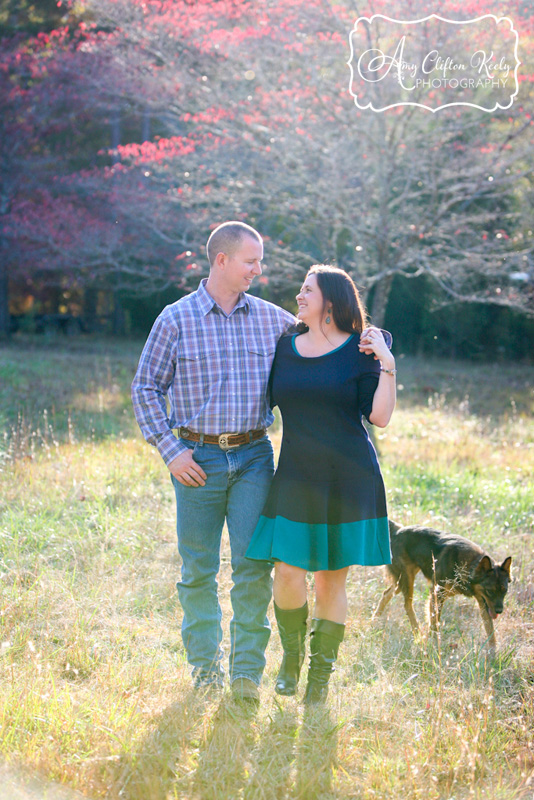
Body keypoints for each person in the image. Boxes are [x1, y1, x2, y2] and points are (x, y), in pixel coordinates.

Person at [131, 221, 296, 705]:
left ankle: (246, 674)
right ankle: (205, 671)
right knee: (198, 570)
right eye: (251, 261)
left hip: (252, 457)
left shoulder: (273, 319)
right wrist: (170, 449)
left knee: (252, 566)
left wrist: (373, 345)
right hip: (195, 459)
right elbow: (145, 388)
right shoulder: (175, 319)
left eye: (259, 261)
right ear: (221, 260)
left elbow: (319, 344)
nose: (258, 270)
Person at [246, 265, 396, 704]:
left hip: (348, 477)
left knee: (331, 581)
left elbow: (381, 417)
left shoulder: (363, 351)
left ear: (330, 300)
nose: (298, 295)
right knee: (288, 571)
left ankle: (320, 677)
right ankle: (291, 660)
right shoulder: (284, 346)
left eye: (307, 289)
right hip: (295, 474)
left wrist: (387, 364)